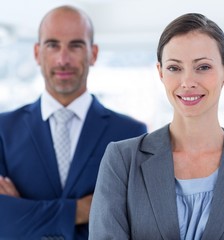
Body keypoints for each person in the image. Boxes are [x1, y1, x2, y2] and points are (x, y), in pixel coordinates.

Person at [89, 13, 224, 240]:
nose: (187, 82)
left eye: (203, 67)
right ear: (160, 72)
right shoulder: (122, 161)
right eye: (174, 68)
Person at [0, 5, 147, 239]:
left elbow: (133, 224)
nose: (63, 59)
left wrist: (26, 214)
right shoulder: (3, 130)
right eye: (52, 45)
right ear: (37, 53)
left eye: (76, 45)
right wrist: (81, 210)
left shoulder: (131, 133)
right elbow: (3, 222)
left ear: (94, 53)